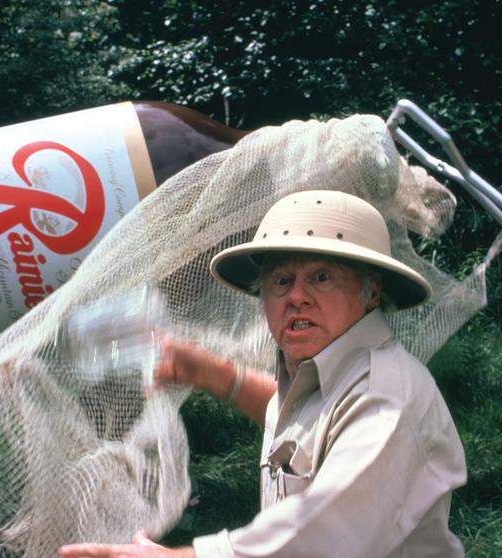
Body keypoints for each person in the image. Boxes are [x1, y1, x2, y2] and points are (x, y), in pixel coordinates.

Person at [59, 190, 467, 557]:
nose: (296, 297)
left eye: (321, 277)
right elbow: (307, 424)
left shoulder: (387, 396)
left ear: (371, 291)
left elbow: (321, 539)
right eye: (281, 280)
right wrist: (212, 373)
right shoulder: (326, 375)